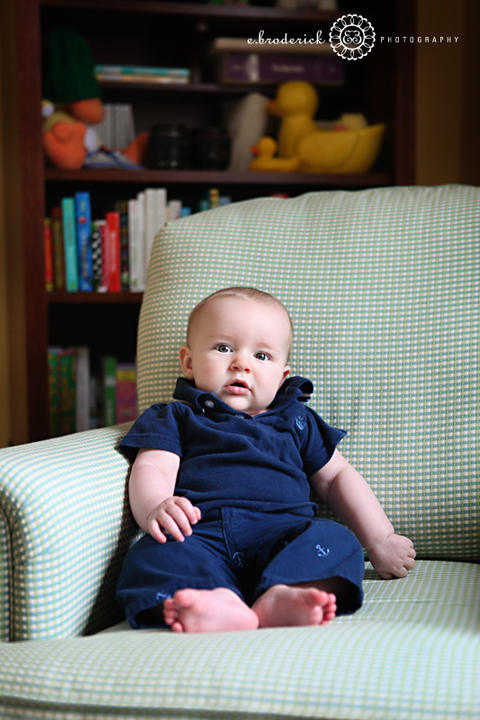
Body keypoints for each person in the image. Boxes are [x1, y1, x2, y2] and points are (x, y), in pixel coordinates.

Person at [117, 287, 415, 633]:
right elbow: (153, 466)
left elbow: (336, 477)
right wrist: (156, 505)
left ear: (282, 376)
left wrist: (380, 539)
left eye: (261, 356)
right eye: (223, 348)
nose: (241, 363)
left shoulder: (297, 420)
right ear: (188, 361)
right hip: (199, 535)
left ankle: (285, 592)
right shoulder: (175, 417)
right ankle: (214, 601)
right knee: (150, 556)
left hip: (284, 535)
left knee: (338, 540)